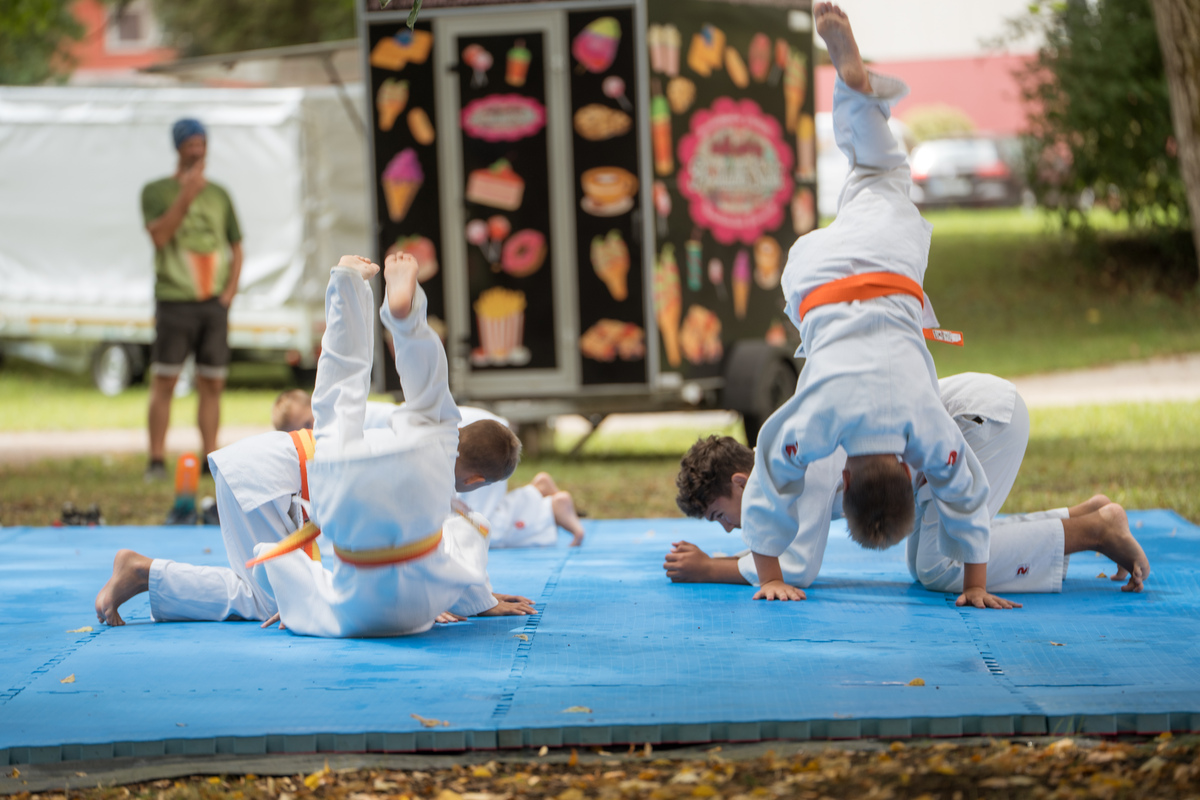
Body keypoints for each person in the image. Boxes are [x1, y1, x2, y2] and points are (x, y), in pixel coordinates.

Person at [94, 253, 531, 632]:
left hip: (326, 470)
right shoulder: (442, 499)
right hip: (286, 480)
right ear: (475, 481)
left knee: (347, 395)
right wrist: (474, 601)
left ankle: (375, 301)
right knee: (267, 601)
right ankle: (146, 574)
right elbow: (463, 546)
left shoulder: (430, 440)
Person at [741, 5, 1001, 608]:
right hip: (814, 278)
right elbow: (771, 473)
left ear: (910, 472)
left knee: (880, 173)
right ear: (845, 476)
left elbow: (965, 492)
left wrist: (976, 584)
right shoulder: (821, 421)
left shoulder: (925, 428)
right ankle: (856, 90)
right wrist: (771, 574)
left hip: (887, 267)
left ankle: (857, 92)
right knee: (866, 188)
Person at [670, 373, 1151, 597]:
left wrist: (711, 568)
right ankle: (1080, 517)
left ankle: (1095, 532)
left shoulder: (795, 457)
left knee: (942, 569)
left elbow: (797, 567)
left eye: (720, 516)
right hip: (972, 418)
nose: (729, 528)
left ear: (741, 482)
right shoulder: (779, 458)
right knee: (925, 566)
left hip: (978, 423)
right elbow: (782, 545)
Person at [272, 389, 587, 547]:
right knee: (469, 517)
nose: (310, 430)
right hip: (468, 432)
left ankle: (547, 508)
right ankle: (537, 492)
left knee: (479, 529)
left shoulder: (351, 419)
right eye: (300, 429)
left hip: (470, 439)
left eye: (308, 421)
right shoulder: (344, 419)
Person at [141, 118, 243, 481]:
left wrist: (228, 293)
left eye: (202, 143)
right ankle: (156, 460)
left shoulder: (220, 195)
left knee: (212, 382)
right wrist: (186, 194)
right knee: (165, 380)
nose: (197, 150)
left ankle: (209, 458)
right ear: (179, 148)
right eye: (190, 144)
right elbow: (159, 237)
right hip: (175, 300)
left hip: (213, 303)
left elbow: (236, 245)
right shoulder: (156, 191)